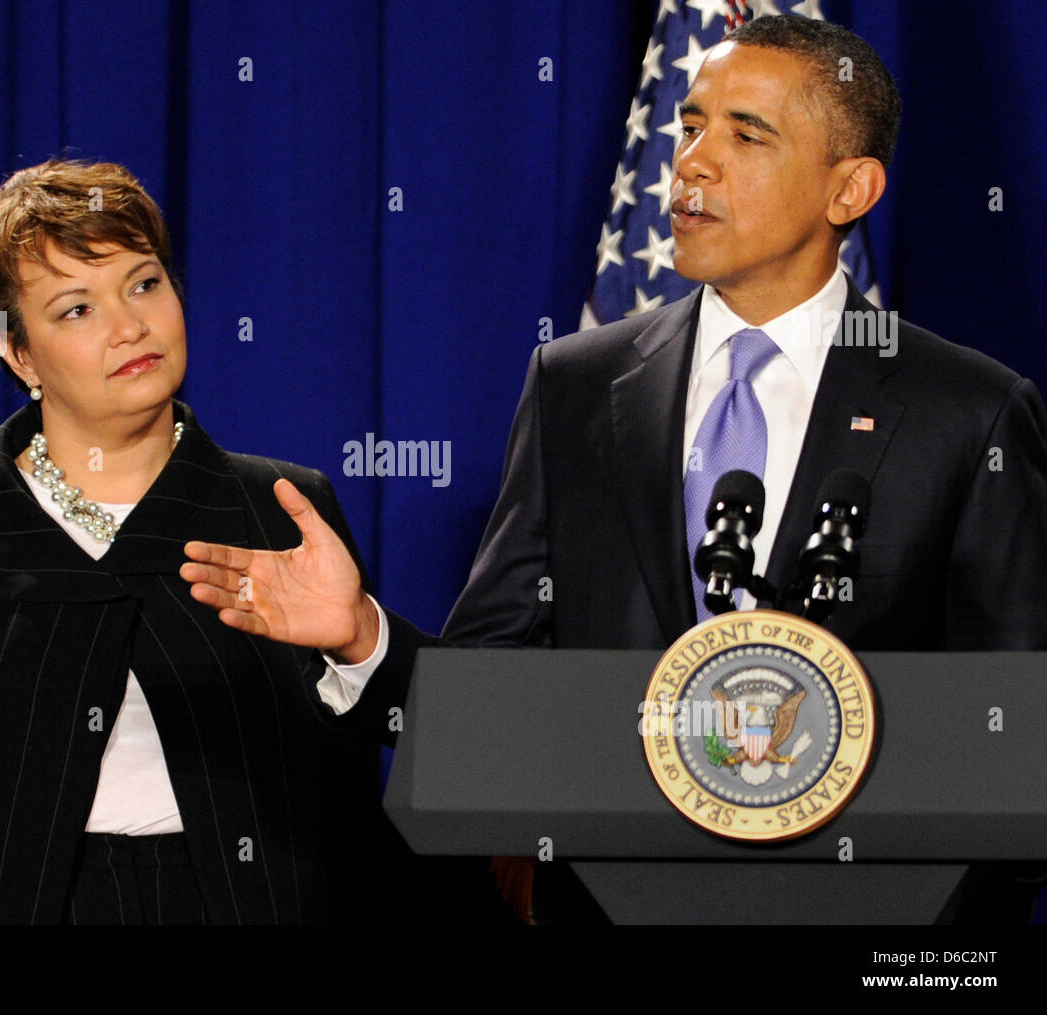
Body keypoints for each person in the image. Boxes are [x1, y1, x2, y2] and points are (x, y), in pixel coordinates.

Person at [181, 16, 1047, 923]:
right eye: (690, 125)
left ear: (851, 188)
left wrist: (940, 949)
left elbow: (1020, 731)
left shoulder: (969, 409)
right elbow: (499, 680)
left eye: (747, 134)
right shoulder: (578, 385)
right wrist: (366, 636)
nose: (694, 164)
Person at [0, 158, 496, 925]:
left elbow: (430, 761)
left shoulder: (282, 510)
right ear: (17, 353)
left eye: (145, 283)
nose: (130, 326)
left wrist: (360, 638)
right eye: (76, 309)